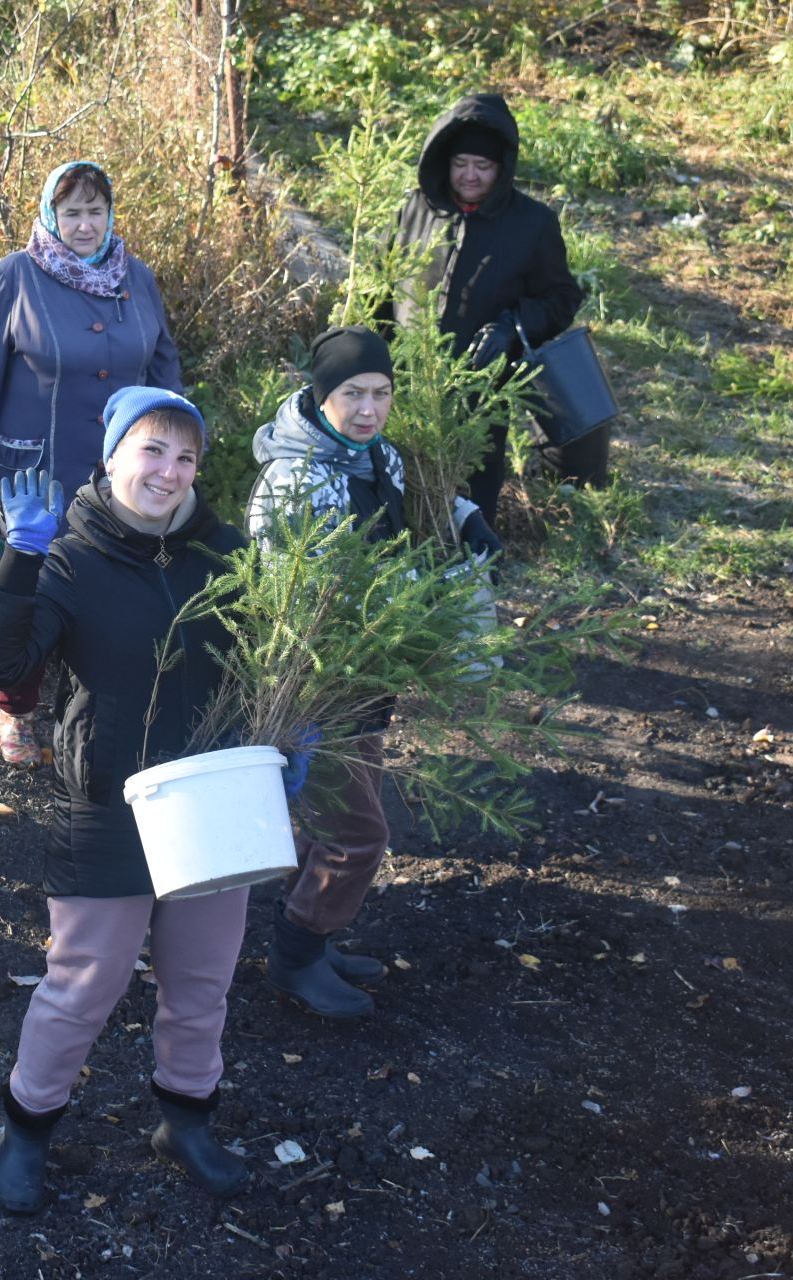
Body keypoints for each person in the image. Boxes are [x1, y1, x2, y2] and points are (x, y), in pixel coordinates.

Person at [0, 386, 251, 1214]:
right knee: (85, 983)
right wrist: (17, 560)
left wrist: (288, 736)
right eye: (151, 451)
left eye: (185, 456)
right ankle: (27, 1131)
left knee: (201, 982)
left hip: (213, 799)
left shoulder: (223, 549)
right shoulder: (70, 553)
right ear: (114, 455)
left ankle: (186, 1124)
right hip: (111, 801)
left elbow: (273, 652)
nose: (168, 471)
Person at [246, 326, 500, 1018]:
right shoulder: (294, 479)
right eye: (352, 394)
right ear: (320, 395)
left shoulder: (377, 458)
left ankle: (307, 939)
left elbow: (408, 510)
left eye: (381, 393)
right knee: (361, 835)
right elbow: (302, 592)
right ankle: (296, 957)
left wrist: (463, 518)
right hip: (317, 680)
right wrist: (409, 607)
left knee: (332, 824)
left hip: (366, 676)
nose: (368, 409)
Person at [0, 160, 183, 766]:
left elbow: (163, 373)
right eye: (72, 212)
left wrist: (175, 452)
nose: (84, 225)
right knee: (33, 586)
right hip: (33, 474)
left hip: (115, 476)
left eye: (95, 212)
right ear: (51, 213)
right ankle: (17, 706)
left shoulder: (138, 279)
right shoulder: (15, 277)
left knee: (105, 588)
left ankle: (87, 708)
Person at [384, 92, 587, 524]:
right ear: (444, 160)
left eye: (483, 166)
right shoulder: (415, 209)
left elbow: (562, 297)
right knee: (399, 478)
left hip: (482, 385)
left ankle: (472, 566)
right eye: (461, 164)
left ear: (502, 167)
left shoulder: (533, 224)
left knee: (475, 487)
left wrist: (511, 327)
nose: (470, 176)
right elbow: (383, 287)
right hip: (408, 381)